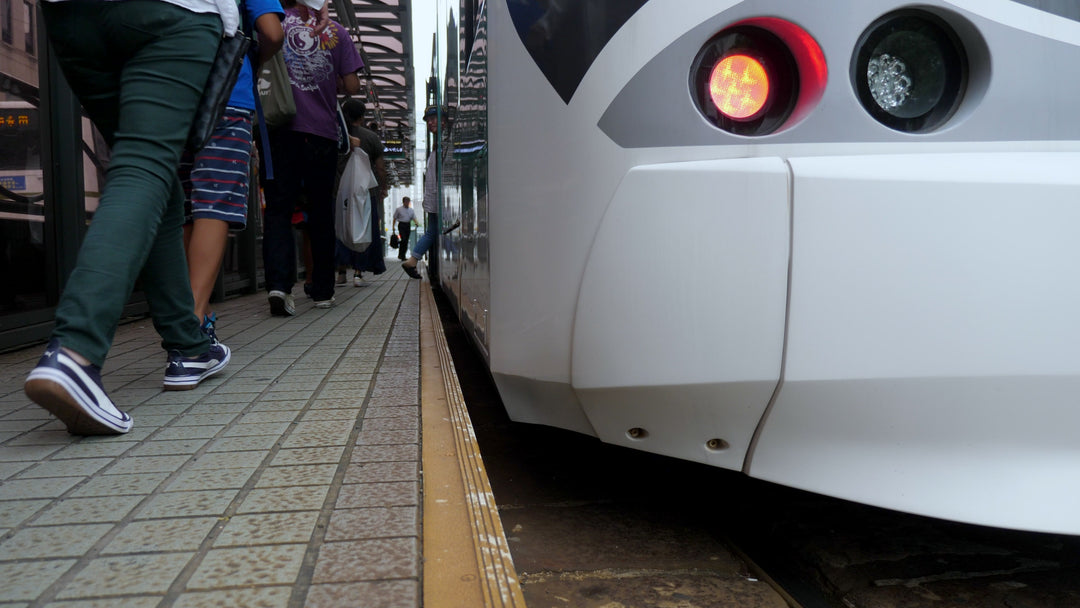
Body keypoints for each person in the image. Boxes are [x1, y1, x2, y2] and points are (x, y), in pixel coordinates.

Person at [24, 0, 237, 435]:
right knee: (144, 164)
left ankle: (189, 344)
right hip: (173, 12)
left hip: (71, 15)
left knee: (156, 178)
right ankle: (76, 352)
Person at [182, 0, 284, 342]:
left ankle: (193, 312)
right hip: (227, 92)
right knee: (213, 202)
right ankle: (192, 328)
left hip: (167, 89)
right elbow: (271, 31)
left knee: (183, 208)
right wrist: (253, 59)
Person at [261, 0, 363, 314]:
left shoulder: (274, 22)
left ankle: (279, 286)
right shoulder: (336, 31)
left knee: (279, 209)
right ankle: (322, 290)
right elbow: (352, 85)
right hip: (322, 133)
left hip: (281, 127)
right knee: (320, 212)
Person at [335, 98, 387, 286]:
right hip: (365, 193)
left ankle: (341, 273)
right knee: (362, 229)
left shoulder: (338, 135)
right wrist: (383, 187)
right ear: (363, 117)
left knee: (341, 229)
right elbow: (380, 168)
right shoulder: (371, 137)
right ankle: (358, 273)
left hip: (339, 192)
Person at [402, 105, 447, 279]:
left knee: (433, 231)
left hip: (436, 199)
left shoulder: (441, 143)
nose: (431, 123)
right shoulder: (440, 144)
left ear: (445, 120)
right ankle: (412, 260)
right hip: (437, 199)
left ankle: (412, 260)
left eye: (435, 118)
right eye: (428, 120)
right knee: (434, 231)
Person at [392, 196, 418, 261]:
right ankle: (401, 255)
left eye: (408, 202)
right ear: (403, 202)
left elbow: (414, 217)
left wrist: (416, 223)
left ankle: (402, 255)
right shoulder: (399, 209)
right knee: (403, 239)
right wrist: (393, 226)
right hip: (401, 225)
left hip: (407, 225)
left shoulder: (411, 210)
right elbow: (395, 218)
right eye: (406, 201)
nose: (407, 203)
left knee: (406, 241)